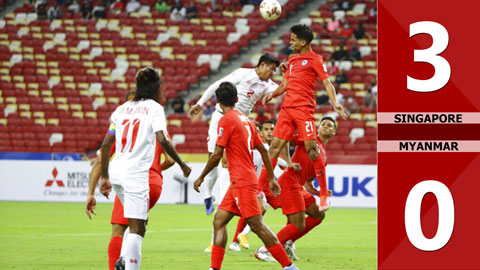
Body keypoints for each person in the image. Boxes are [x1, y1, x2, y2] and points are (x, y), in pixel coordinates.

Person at [193, 82, 299, 270]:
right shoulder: (247, 120)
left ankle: (289, 267)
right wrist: (272, 178)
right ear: (236, 99)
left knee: (257, 225)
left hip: (241, 181)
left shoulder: (225, 120)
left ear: (217, 101)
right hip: (241, 180)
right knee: (219, 220)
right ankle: (214, 268)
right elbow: (264, 151)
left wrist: (201, 177)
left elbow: (217, 154)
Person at [98, 67, 191, 270]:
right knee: (138, 228)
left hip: (117, 173)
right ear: (157, 87)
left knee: (133, 223)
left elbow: (106, 144)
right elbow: (161, 138)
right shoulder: (154, 108)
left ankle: (123, 259)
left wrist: (104, 176)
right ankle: (129, 266)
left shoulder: (121, 109)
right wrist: (182, 163)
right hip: (136, 174)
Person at [189, 53, 294, 216]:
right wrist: (199, 103)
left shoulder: (267, 85)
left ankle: (225, 199)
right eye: (271, 69)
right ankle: (208, 194)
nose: (272, 73)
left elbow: (288, 90)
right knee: (213, 158)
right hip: (220, 117)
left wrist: (288, 73)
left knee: (228, 159)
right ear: (262, 65)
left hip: (239, 122)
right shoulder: (243, 73)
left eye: (274, 71)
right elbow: (216, 85)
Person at [85, 91, 175, 270]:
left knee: (119, 229)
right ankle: (127, 259)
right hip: (154, 184)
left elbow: (100, 160)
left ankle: (121, 262)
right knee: (137, 227)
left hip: (131, 178)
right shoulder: (155, 122)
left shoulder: (122, 124)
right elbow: (171, 160)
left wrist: (90, 193)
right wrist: (156, 170)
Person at [262, 24, 347, 212]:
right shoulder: (291, 60)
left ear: (303, 42)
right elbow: (285, 83)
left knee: (311, 149)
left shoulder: (315, 59)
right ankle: (259, 189)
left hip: (304, 109)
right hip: (287, 109)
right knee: (274, 147)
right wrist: (273, 95)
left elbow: (327, 82)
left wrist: (335, 103)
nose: (290, 42)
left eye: (293, 40)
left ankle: (324, 194)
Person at [255, 116, 336, 262]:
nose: (325, 126)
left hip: (299, 186)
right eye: (323, 124)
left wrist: (317, 192)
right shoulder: (309, 140)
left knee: (318, 214)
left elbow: (308, 182)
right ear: (318, 128)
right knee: (297, 224)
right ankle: (265, 250)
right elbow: (284, 140)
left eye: (329, 125)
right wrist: (288, 161)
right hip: (289, 183)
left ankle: (287, 242)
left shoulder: (324, 156)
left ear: (334, 132)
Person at [229, 120, 287, 252]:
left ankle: (237, 239)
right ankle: (236, 238)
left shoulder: (266, 148)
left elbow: (277, 161)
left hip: (259, 185)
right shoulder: (253, 147)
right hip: (247, 184)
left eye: (272, 129)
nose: (270, 132)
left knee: (258, 210)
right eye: (266, 129)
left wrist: (289, 164)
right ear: (260, 132)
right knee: (251, 211)